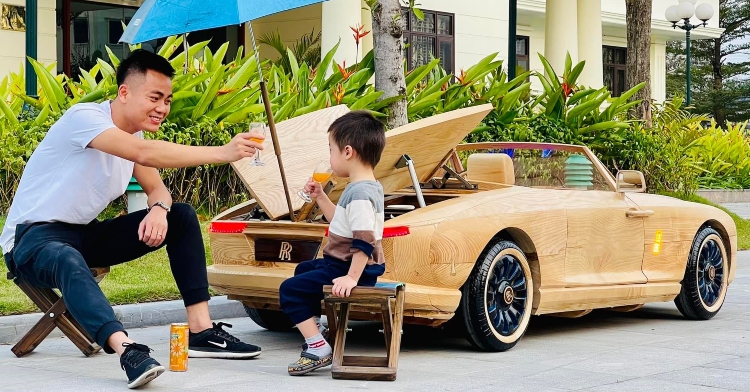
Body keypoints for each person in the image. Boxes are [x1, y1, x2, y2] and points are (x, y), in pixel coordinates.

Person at [0, 49, 265, 389]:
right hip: (32, 239)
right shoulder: (84, 119)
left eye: (167, 99)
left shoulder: (133, 137)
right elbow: (143, 154)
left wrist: (159, 210)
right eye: (155, 97)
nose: (163, 108)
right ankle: (128, 351)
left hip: (83, 236)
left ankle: (201, 332)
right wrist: (223, 153)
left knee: (181, 216)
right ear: (124, 93)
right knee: (67, 257)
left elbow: (159, 190)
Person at [278, 110, 387, 376]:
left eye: (331, 150)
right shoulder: (364, 186)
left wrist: (350, 278)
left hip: (349, 268)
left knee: (289, 290)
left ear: (347, 152)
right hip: (342, 264)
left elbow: (365, 241)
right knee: (304, 271)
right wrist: (320, 198)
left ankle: (317, 347)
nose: (330, 157)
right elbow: (341, 219)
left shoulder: (360, 193)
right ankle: (317, 329)